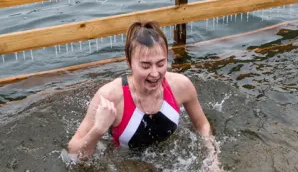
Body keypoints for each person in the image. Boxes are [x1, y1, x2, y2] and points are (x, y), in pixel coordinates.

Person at [68, 21, 213, 159]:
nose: (155, 73)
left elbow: (203, 125)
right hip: (125, 165)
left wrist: (211, 158)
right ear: (129, 62)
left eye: (161, 64)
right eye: (146, 66)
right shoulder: (110, 96)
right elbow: (73, 152)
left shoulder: (181, 86)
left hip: (169, 159)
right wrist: (98, 130)